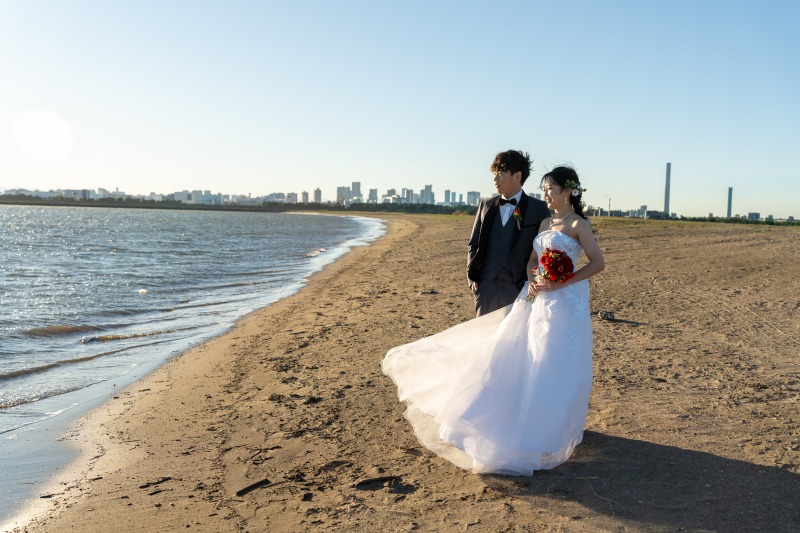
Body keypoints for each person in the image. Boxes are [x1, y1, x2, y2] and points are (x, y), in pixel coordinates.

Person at [383, 166, 604, 475]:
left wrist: (561, 282)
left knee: (551, 359)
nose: (546, 196)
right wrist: (535, 279)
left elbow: (598, 263)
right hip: (534, 296)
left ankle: (548, 429)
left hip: (564, 302)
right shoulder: (544, 222)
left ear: (566, 192)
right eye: (543, 191)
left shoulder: (579, 224)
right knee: (517, 353)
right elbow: (532, 260)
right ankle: (508, 416)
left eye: (550, 190)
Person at [468, 150, 550, 316]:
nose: (495, 179)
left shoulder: (538, 208)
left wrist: (536, 281)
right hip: (486, 289)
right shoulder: (486, 205)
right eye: (494, 174)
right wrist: (472, 278)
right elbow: (474, 243)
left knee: (516, 340)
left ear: (517, 176)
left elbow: (545, 251)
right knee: (484, 339)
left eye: (500, 174)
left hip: (520, 289)